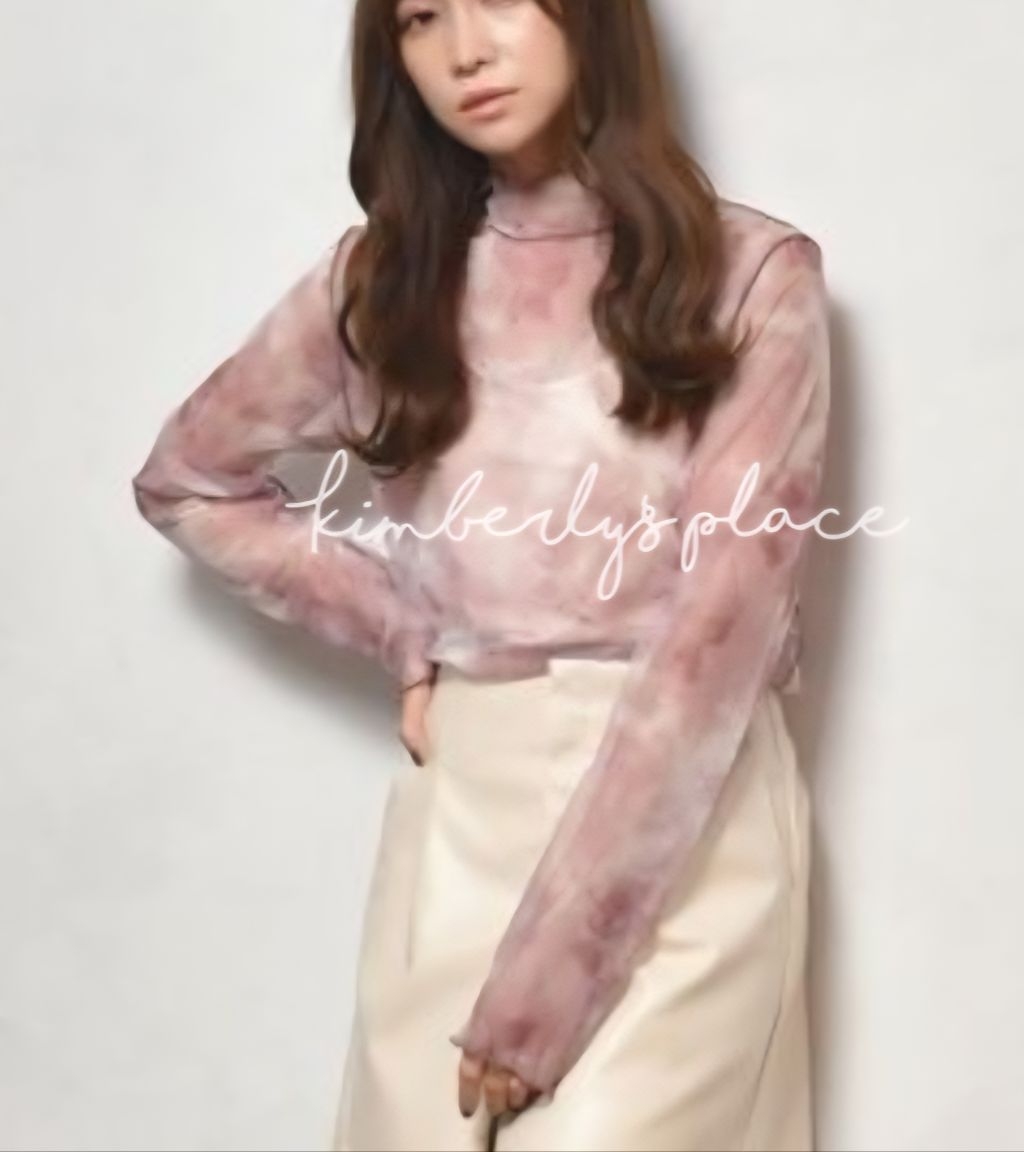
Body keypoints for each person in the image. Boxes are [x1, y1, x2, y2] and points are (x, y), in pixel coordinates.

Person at [130, 0, 831, 1148]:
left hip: (680, 837)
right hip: (459, 824)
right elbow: (189, 481)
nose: (464, 49)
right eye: (419, 17)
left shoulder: (752, 276)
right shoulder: (384, 284)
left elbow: (721, 632)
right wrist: (397, 622)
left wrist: (552, 981)